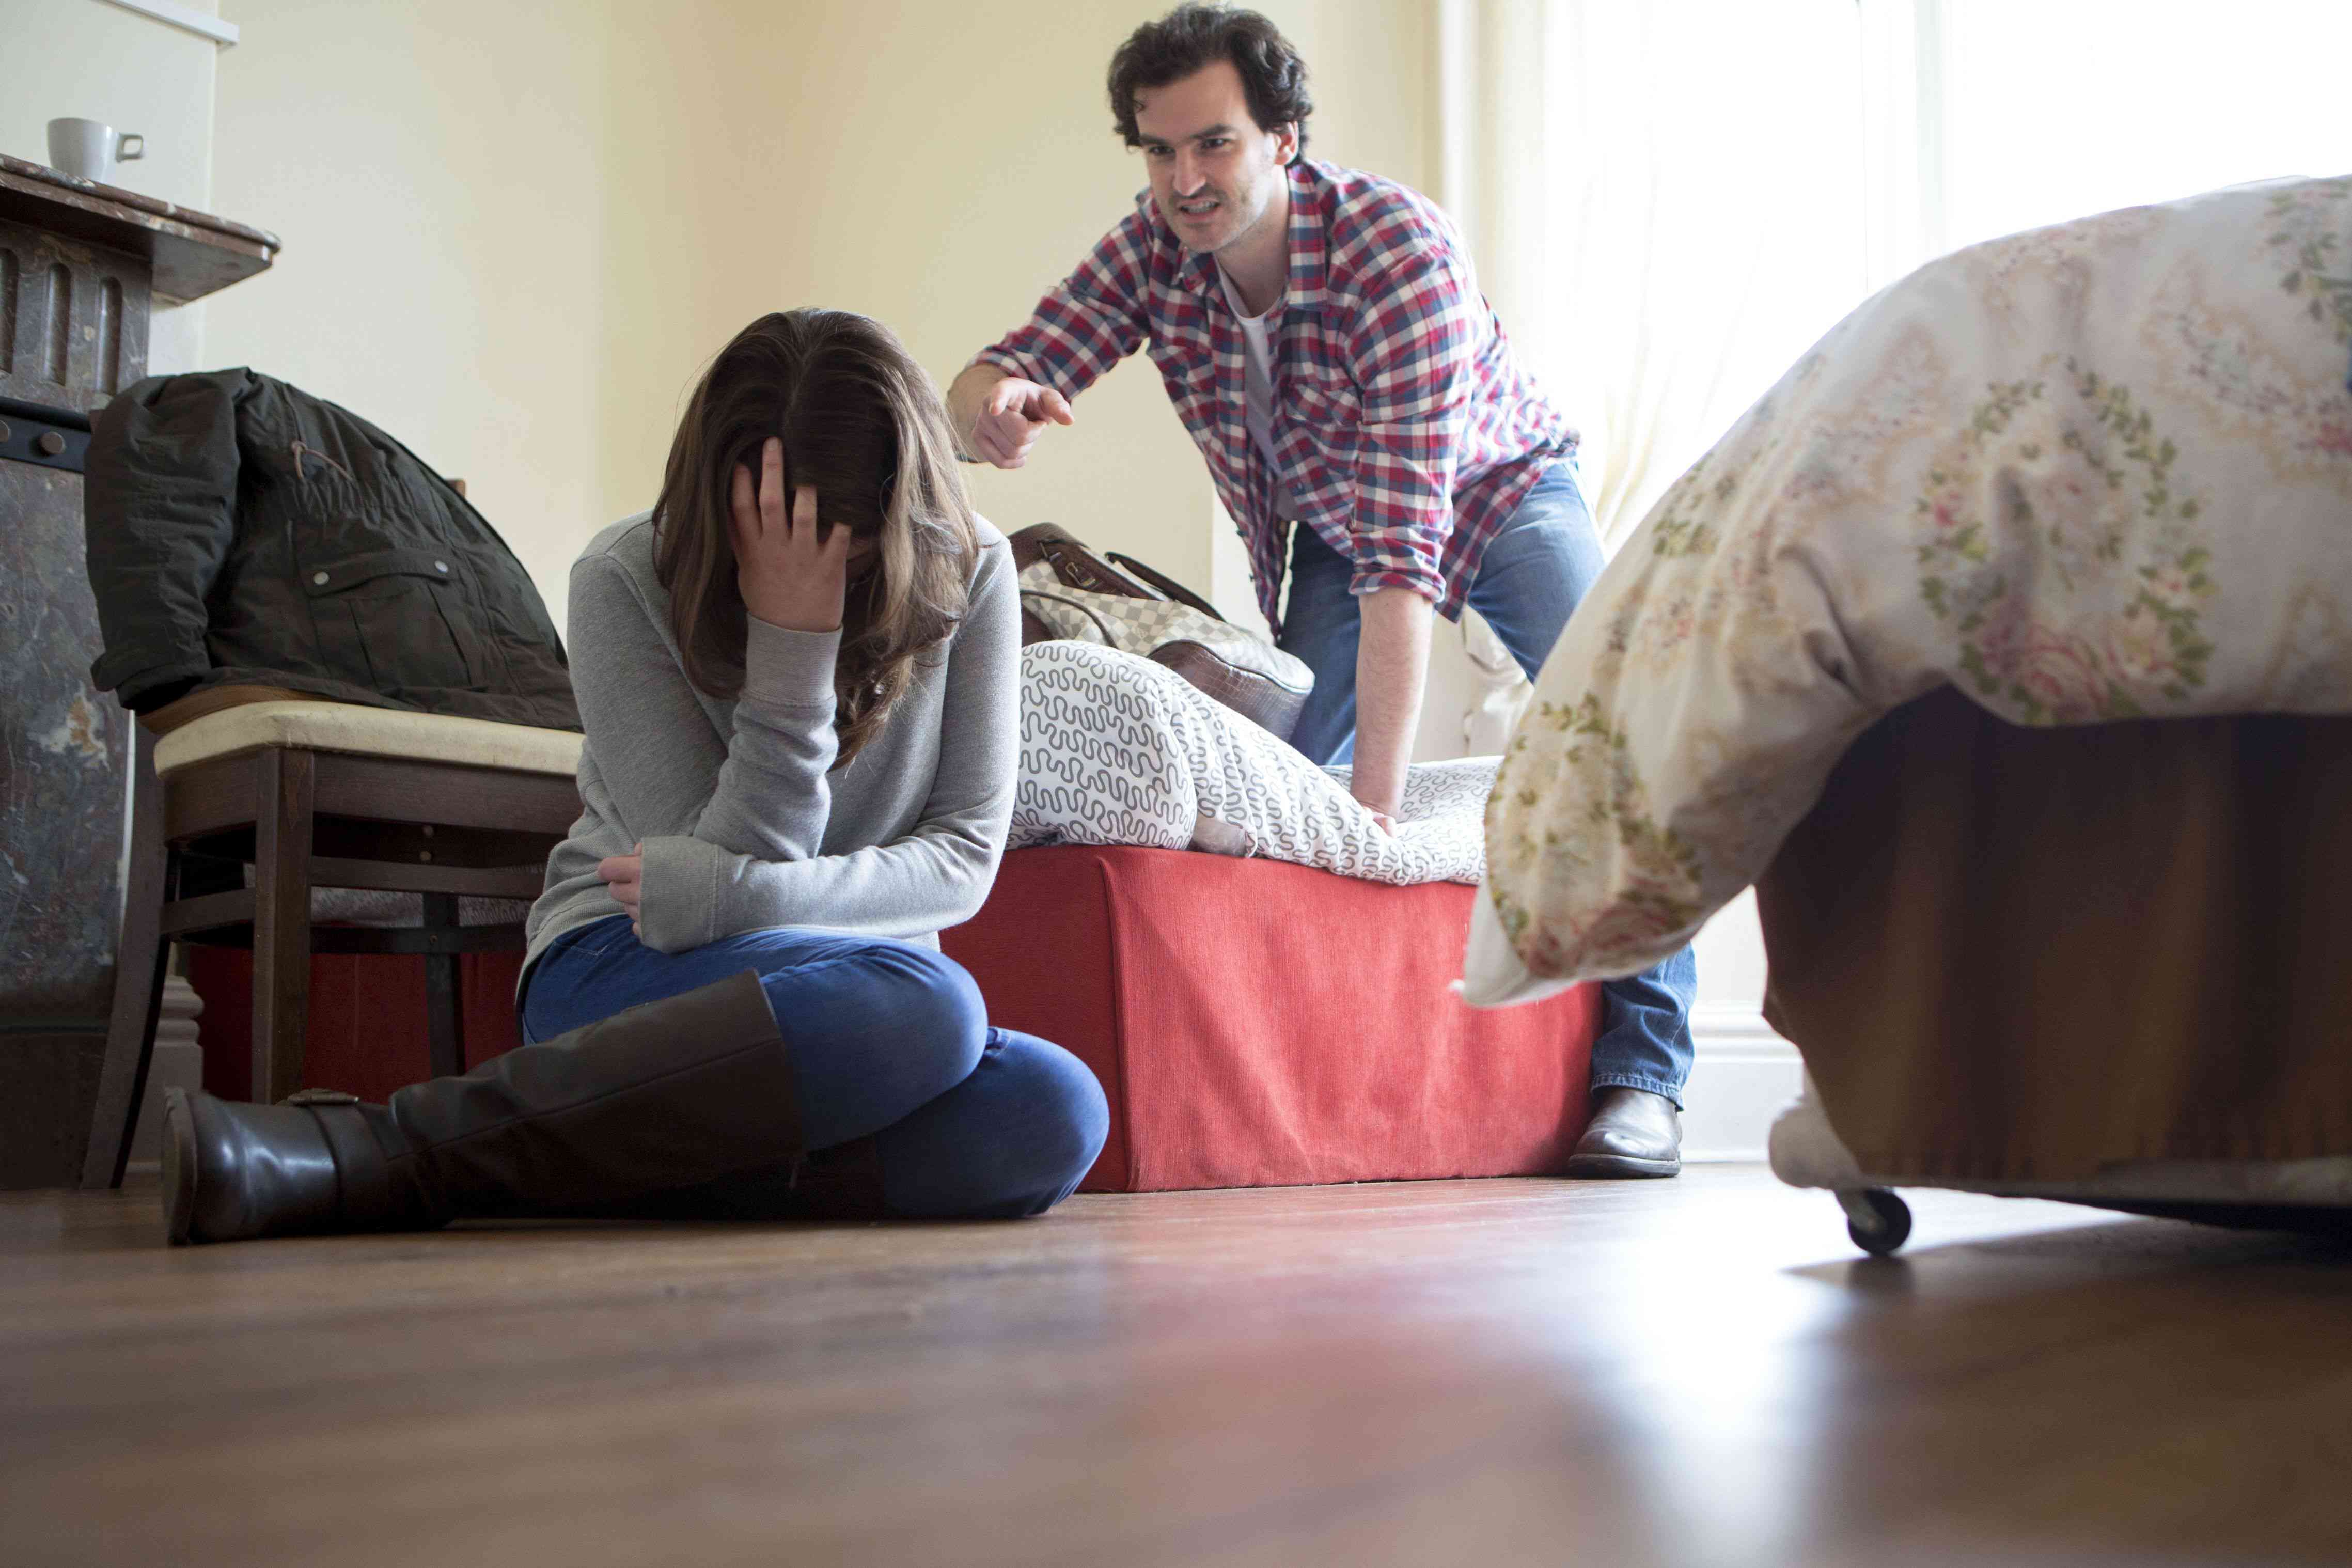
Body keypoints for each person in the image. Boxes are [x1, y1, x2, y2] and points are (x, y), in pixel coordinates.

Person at [161, 309, 1109, 1244]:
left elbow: (956, 861)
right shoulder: (623, 577)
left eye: (851, 545)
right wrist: (791, 645)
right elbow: (692, 912)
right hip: (625, 964)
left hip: (847, 1004)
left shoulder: (972, 566)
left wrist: (732, 891)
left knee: (1051, 1109)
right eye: (775, 534)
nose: (826, 566)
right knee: (928, 1004)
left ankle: (595, 1160)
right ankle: (377, 1151)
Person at [947, 4, 1694, 1176]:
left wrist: (1377, 821)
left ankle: (1644, 1079)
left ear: (1283, 138)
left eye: (1215, 144)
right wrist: (987, 405)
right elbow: (1018, 359)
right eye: (1159, 150)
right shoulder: (1155, 247)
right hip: (1344, 527)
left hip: (1500, 490)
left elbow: (1406, 560)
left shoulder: (1397, 252)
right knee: (1284, 778)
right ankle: (1308, 1064)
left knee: (1621, 738)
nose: (1185, 181)